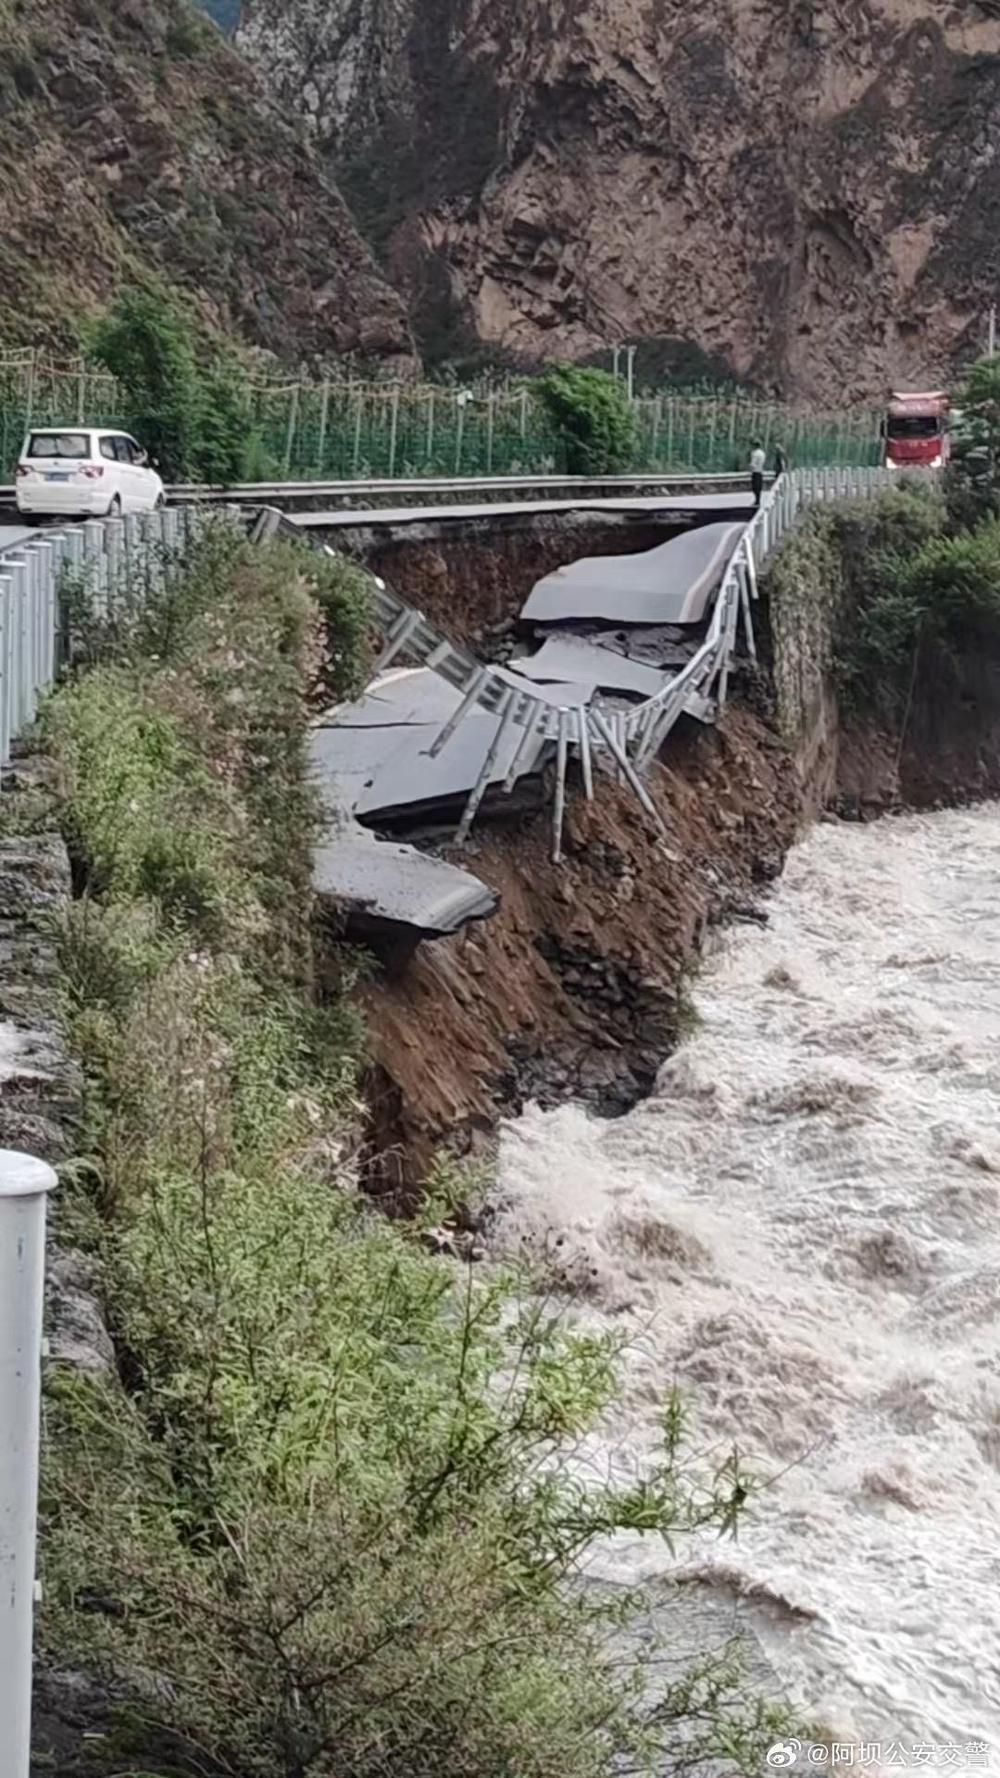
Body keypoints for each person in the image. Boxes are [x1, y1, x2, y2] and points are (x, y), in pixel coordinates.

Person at [749, 439, 766, 508]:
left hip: (755, 471)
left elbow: (753, 463)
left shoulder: (754, 453)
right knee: (758, 487)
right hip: (760, 471)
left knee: (755, 487)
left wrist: (750, 467)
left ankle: (757, 500)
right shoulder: (762, 453)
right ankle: (758, 500)